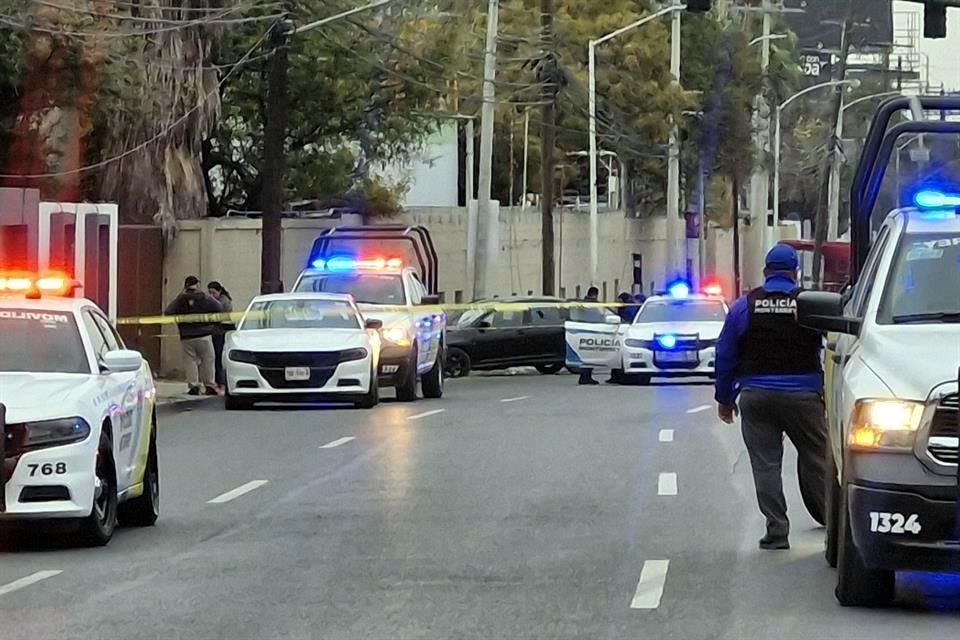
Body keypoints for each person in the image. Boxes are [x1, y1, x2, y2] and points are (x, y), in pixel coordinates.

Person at [714, 244, 827, 551]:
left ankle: (777, 530)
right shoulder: (809, 304)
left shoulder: (744, 306)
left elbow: (725, 354)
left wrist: (725, 398)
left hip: (756, 395)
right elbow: (833, 346)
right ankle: (833, 521)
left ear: (766, 272)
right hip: (803, 396)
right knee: (819, 459)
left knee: (766, 465)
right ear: (795, 273)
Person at [165, 276, 222, 396]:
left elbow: (168, 311)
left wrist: (180, 297)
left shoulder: (181, 299)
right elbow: (219, 307)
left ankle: (194, 385)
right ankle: (209, 384)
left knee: (190, 361)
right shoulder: (204, 297)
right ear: (197, 285)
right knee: (208, 360)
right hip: (204, 334)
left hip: (187, 335)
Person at [207, 281, 235, 390]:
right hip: (216, 331)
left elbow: (218, 313)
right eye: (209, 293)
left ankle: (221, 382)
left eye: (213, 292)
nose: (211, 295)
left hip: (221, 332)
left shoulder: (224, 302)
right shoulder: (217, 301)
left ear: (219, 291)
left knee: (218, 358)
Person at [577, 286, 600, 385]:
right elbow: (598, 317)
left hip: (583, 332)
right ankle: (586, 377)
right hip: (591, 332)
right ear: (594, 294)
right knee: (590, 355)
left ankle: (585, 376)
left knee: (585, 355)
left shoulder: (583, 304)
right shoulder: (592, 305)